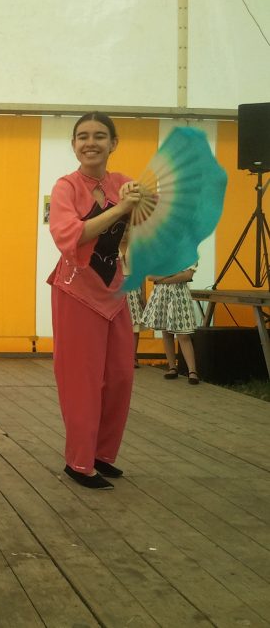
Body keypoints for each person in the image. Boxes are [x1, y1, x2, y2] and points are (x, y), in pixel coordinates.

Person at [47, 112, 141, 490]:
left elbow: (139, 230)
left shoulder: (123, 183)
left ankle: (102, 453)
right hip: (76, 289)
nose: (91, 142)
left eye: (100, 136)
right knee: (81, 379)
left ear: (113, 143)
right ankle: (79, 461)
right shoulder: (66, 187)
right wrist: (121, 209)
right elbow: (70, 234)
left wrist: (144, 207)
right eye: (82, 136)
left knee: (120, 374)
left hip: (114, 290)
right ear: (73, 145)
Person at [142, 264, 200, 385]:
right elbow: (151, 276)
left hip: (179, 294)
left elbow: (187, 275)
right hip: (162, 294)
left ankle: (192, 371)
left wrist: (163, 277)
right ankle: (172, 367)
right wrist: (175, 271)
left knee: (183, 333)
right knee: (166, 331)